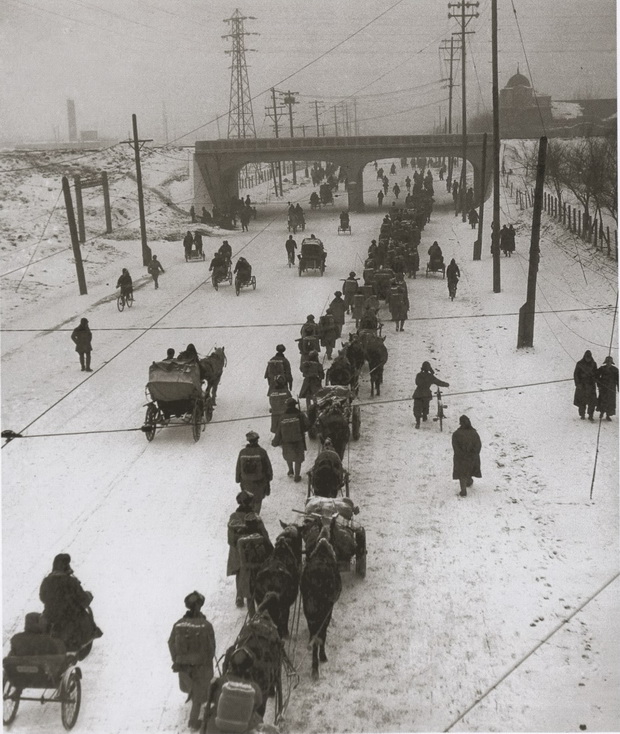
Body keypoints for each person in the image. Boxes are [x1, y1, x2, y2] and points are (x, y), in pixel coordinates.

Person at [168, 591, 216, 731]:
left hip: (183, 668)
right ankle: (193, 723)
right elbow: (211, 649)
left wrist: (177, 660)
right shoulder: (206, 626)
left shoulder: (178, 625)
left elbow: (171, 643)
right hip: (200, 669)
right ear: (200, 606)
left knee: (194, 691)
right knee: (198, 696)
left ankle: (194, 714)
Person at [39, 553, 103, 654]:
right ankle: (84, 640)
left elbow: (42, 598)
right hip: (70, 618)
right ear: (66, 566)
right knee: (87, 622)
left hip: (51, 615)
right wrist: (89, 595)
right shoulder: (71, 581)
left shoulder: (47, 581)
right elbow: (83, 600)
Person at [227, 491, 272, 608]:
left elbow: (230, 540)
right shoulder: (255, 518)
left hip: (236, 552)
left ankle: (239, 596)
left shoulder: (233, 517)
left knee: (239, 572)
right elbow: (264, 536)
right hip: (252, 552)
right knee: (252, 573)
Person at [204, 647, 264, 733]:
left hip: (217, 729)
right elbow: (258, 703)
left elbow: (209, 697)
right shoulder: (255, 688)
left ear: (231, 665)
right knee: (258, 719)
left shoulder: (218, 682)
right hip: (243, 729)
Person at [271, 397, 309, 481]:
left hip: (286, 441)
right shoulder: (300, 415)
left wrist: (275, 441)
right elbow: (307, 425)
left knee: (289, 456)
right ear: (295, 405)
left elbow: (278, 431)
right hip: (298, 440)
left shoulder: (282, 417)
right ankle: (297, 476)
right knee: (298, 458)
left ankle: (291, 470)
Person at [235, 431, 273, 515]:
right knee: (258, 500)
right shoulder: (262, 452)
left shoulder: (242, 452)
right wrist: (269, 478)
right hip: (259, 482)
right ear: (257, 440)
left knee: (248, 499)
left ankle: (249, 515)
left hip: (246, 482)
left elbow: (238, 467)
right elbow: (267, 467)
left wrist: (238, 479)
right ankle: (255, 517)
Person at [412, 361, 450, 428]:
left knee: (417, 408)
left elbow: (417, 383)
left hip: (418, 393)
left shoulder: (419, 375)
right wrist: (446, 384)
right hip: (426, 394)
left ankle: (418, 422)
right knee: (425, 406)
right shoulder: (430, 376)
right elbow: (438, 382)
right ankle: (424, 416)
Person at [452, 415, 481, 497]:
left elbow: (455, 447)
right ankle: (469, 481)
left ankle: (463, 490)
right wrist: (474, 454)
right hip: (472, 457)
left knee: (462, 473)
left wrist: (460, 454)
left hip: (460, 458)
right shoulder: (474, 433)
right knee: (470, 469)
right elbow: (478, 445)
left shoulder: (456, 434)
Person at [574, 350, 598, 421]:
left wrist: (594, 377)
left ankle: (591, 415)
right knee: (582, 401)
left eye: (589, 357)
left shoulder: (594, 364)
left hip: (591, 386)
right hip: (582, 386)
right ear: (584, 356)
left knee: (592, 402)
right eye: (587, 357)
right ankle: (582, 414)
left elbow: (596, 373)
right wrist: (578, 384)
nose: (588, 359)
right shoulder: (579, 364)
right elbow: (576, 374)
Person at [595, 356, 619, 421]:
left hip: (611, 389)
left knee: (610, 402)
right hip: (603, 388)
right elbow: (596, 377)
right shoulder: (602, 369)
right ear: (605, 362)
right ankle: (601, 412)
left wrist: (618, 387)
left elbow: (618, 379)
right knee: (602, 400)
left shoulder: (615, 370)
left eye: (610, 362)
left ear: (612, 362)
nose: (608, 363)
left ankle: (608, 415)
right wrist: (599, 384)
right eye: (607, 362)